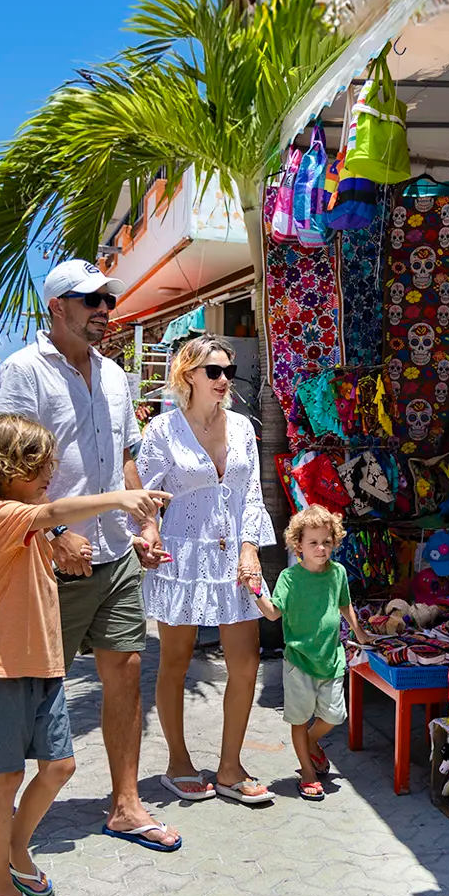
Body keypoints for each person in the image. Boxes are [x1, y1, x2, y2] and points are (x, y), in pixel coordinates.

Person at [0, 258, 181, 852]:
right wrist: (50, 536)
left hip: (116, 553)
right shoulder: (23, 372)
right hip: (51, 558)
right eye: (90, 300)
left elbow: (124, 458)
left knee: (125, 670)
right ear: (57, 307)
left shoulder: (117, 377)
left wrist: (144, 524)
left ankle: (125, 805)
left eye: (107, 301)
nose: (103, 310)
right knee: (34, 684)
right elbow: (3, 469)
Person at [0, 412, 171, 896]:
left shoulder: (31, 525)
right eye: (37, 465)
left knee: (59, 767)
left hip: (44, 668)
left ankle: (13, 849)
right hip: (1, 672)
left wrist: (130, 543)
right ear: (3, 467)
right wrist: (119, 498)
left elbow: (51, 521)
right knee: (5, 778)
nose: (49, 473)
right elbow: (54, 511)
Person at [138, 336, 277, 805]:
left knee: (246, 662)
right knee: (174, 663)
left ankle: (230, 767)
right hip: (181, 557)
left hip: (235, 558)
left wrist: (251, 547)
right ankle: (178, 762)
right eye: (213, 372)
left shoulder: (241, 428)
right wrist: (147, 532)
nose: (223, 381)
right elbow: (144, 497)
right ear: (188, 376)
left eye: (228, 373)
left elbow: (252, 493)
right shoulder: (162, 430)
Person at [248, 504, 369, 802]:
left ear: (335, 542)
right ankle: (308, 772)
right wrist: (255, 591)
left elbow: (345, 605)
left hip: (331, 658)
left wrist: (360, 631)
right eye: (313, 542)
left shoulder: (338, 573)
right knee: (299, 720)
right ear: (298, 544)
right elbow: (274, 614)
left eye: (327, 542)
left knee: (335, 716)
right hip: (299, 662)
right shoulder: (291, 578)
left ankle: (311, 743)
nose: (321, 548)